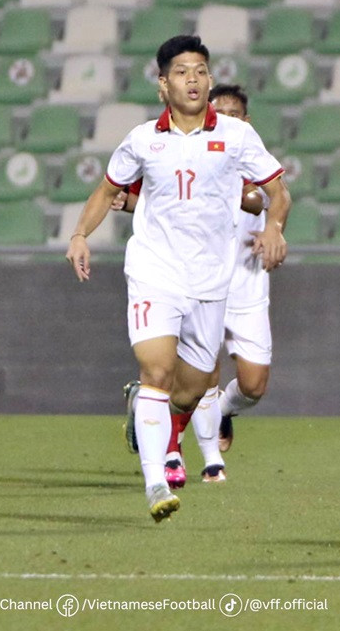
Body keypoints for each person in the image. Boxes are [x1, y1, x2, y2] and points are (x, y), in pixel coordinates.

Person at [65, 35, 285, 522]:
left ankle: (143, 410)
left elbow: (278, 191)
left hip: (211, 280)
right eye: (182, 72)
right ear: (163, 84)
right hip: (154, 271)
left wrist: (274, 226)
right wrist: (80, 234)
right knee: (157, 372)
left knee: (189, 391)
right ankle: (155, 484)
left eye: (200, 71)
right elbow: (107, 190)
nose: (193, 79)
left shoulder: (236, 136)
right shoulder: (143, 139)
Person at [118, 84, 291, 487]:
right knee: (199, 374)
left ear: (246, 121)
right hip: (199, 281)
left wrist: (273, 230)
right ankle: (185, 454)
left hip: (247, 284)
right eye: (220, 112)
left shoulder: (250, 155)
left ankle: (220, 412)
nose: (226, 119)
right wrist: (127, 201)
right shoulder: (191, 153)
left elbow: (271, 197)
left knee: (253, 384)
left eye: (235, 114)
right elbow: (154, 196)